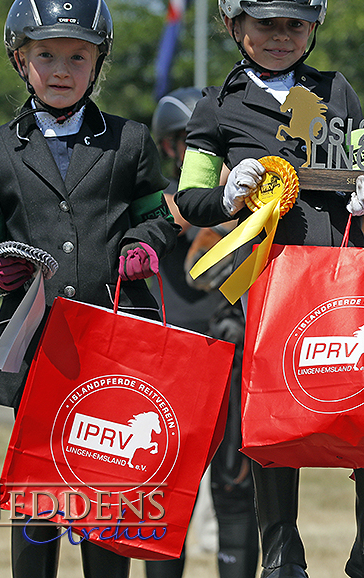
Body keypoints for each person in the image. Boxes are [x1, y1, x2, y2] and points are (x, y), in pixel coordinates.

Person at [172, 0, 364, 578]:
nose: (280, 36)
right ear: (232, 24)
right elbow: (191, 198)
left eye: (294, 24)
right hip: (265, 284)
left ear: (313, 28)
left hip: (339, 275)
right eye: (265, 24)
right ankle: (281, 549)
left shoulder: (338, 90)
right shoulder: (214, 108)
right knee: (272, 413)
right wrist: (226, 191)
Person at [0, 0, 177, 578]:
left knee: (109, 494)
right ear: (19, 59)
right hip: (35, 349)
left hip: (115, 342)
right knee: (40, 497)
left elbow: (159, 220)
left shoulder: (130, 144)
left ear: (97, 62)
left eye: (78, 55)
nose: (62, 68)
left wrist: (142, 245)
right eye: (46, 54)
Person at [144, 87, 259, 578]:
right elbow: (175, 222)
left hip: (232, 359)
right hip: (172, 363)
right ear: (170, 149)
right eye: (189, 144)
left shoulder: (251, 210)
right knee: (165, 495)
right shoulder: (157, 206)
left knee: (235, 491)